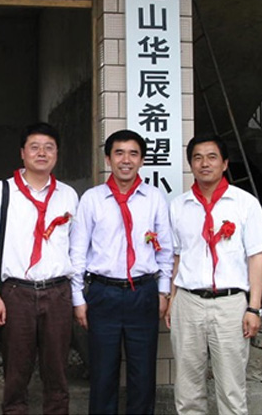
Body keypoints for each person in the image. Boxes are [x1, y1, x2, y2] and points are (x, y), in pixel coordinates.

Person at [167, 133, 262, 414]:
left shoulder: (245, 203)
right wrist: (172, 299)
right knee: (188, 389)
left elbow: (257, 257)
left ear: (225, 163)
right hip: (188, 302)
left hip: (230, 305)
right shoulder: (178, 206)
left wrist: (254, 307)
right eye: (197, 158)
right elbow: (177, 257)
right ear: (191, 164)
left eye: (212, 157)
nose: (204, 163)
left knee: (231, 388)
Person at [70, 129, 174, 415]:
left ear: (142, 160)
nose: (125, 160)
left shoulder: (154, 198)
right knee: (103, 372)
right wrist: (78, 298)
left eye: (133, 154)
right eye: (119, 153)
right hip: (103, 293)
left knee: (143, 372)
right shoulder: (92, 199)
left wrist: (163, 291)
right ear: (108, 159)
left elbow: (165, 250)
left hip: (143, 292)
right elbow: (78, 252)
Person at [0, 122, 78, 415]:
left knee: (57, 370)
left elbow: (75, 250)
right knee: (16, 370)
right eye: (34, 147)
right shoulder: (2, 191)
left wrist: (76, 298)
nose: (41, 153)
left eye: (49, 148)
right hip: (16, 292)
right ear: (22, 153)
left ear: (57, 154)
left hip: (58, 291)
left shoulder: (68, 195)